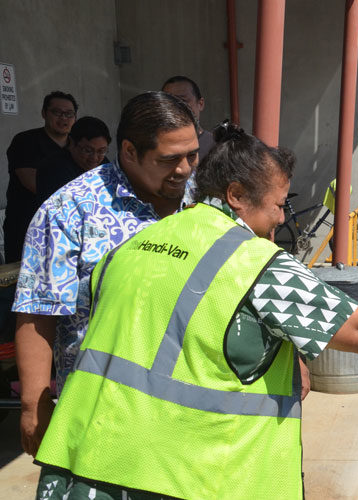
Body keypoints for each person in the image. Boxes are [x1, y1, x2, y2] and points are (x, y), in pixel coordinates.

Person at [32, 122, 358, 500]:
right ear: (237, 195)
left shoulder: (137, 242)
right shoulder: (250, 261)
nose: (282, 217)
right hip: (175, 474)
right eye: (279, 204)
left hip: (83, 460)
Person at [14, 92, 198, 459]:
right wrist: (34, 404)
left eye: (192, 155)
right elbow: (38, 308)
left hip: (191, 409)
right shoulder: (71, 210)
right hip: (103, 416)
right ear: (129, 152)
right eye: (169, 159)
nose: (184, 169)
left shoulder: (203, 201)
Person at [4, 91, 77, 263]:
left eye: (69, 114)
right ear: (44, 113)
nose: (63, 118)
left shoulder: (78, 146)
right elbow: (36, 184)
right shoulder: (25, 141)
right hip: (28, 229)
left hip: (66, 232)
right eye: (56, 112)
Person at [36, 116, 111, 200]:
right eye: (88, 150)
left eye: (101, 151)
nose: (94, 158)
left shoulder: (104, 164)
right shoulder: (53, 168)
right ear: (72, 143)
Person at [162, 75, 214, 160]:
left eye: (183, 101)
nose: (175, 106)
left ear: (200, 104)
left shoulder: (217, 147)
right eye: (169, 101)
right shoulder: (156, 145)